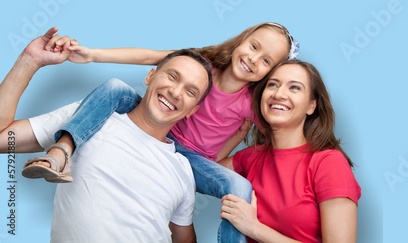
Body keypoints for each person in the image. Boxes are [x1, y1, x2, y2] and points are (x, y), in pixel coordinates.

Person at [23, 22, 299, 243]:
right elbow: (148, 56)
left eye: (265, 61)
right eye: (253, 47)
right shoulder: (202, 63)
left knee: (240, 186)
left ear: (268, 75)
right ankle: (62, 152)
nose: (253, 59)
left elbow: (281, 133)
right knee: (116, 87)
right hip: (156, 125)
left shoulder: (251, 103)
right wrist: (94, 54)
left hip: (191, 160)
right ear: (242, 39)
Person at [0, 27, 213, 242]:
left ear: (192, 110)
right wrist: (29, 60)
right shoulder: (88, 117)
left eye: (190, 91)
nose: (175, 93)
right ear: (151, 76)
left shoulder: (183, 169)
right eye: (172, 76)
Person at [218, 60, 361, 242]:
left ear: (311, 106)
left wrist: (254, 228)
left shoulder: (328, 162)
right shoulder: (252, 156)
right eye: (272, 85)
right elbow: (205, 171)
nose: (279, 94)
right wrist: (237, 136)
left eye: (294, 88)